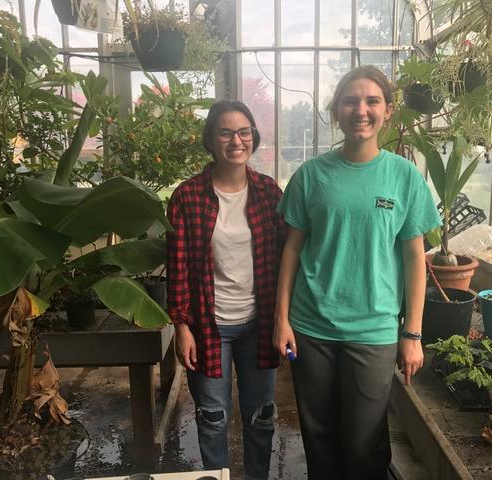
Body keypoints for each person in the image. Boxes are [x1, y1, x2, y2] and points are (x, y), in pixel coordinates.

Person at [273, 65, 442, 480]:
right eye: (350, 100)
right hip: (311, 327)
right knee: (319, 433)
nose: (360, 110)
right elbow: (291, 250)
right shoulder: (311, 176)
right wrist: (282, 321)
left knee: (365, 440)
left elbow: (414, 259)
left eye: (371, 101)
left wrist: (413, 333)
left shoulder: (404, 178)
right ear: (337, 110)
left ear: (387, 110)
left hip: (374, 331)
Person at [166, 100, 285, 480]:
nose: (237, 140)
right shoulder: (188, 196)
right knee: (212, 417)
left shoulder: (268, 193)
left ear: (253, 137)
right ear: (211, 139)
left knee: (261, 415)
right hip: (208, 325)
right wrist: (181, 327)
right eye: (226, 132)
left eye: (244, 132)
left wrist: (286, 319)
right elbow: (178, 266)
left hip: (258, 322)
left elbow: (287, 260)